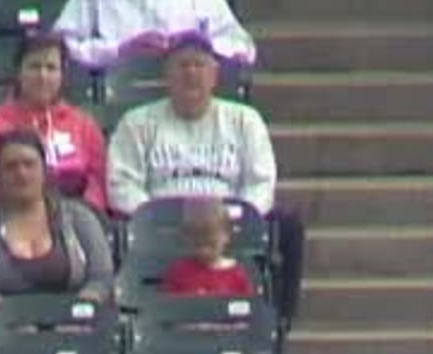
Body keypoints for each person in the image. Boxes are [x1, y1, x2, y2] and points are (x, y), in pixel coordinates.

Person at [104, 39, 299, 320]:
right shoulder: (136, 123)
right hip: (158, 227)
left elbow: (262, 182)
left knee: (290, 223)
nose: (191, 73)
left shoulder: (245, 120)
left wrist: (234, 217)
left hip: (230, 226)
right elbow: (120, 184)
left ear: (215, 75)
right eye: (182, 65)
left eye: (199, 65)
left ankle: (277, 325)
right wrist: (159, 217)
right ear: (166, 75)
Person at [0, 35, 110, 221]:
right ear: (18, 72)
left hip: (71, 226)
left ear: (62, 75)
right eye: (34, 66)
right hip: (4, 225)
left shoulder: (84, 126)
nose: (42, 76)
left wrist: (83, 219)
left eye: (51, 68)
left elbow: (99, 186)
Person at [0, 130, 114, 317]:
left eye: (29, 164)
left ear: (44, 170)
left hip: (76, 326)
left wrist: (76, 315)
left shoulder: (79, 217)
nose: (21, 173)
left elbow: (101, 277)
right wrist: (12, 322)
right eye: (10, 167)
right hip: (4, 331)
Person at [53, 0, 252, 77]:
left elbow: (243, 48)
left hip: (186, 92)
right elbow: (61, 47)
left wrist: (194, 46)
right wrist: (119, 50)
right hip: (117, 87)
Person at [156, 195, 253, 298]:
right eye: (198, 245)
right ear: (189, 239)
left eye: (212, 244)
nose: (204, 251)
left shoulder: (237, 276)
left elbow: (247, 308)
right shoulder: (178, 272)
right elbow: (165, 307)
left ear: (227, 235)